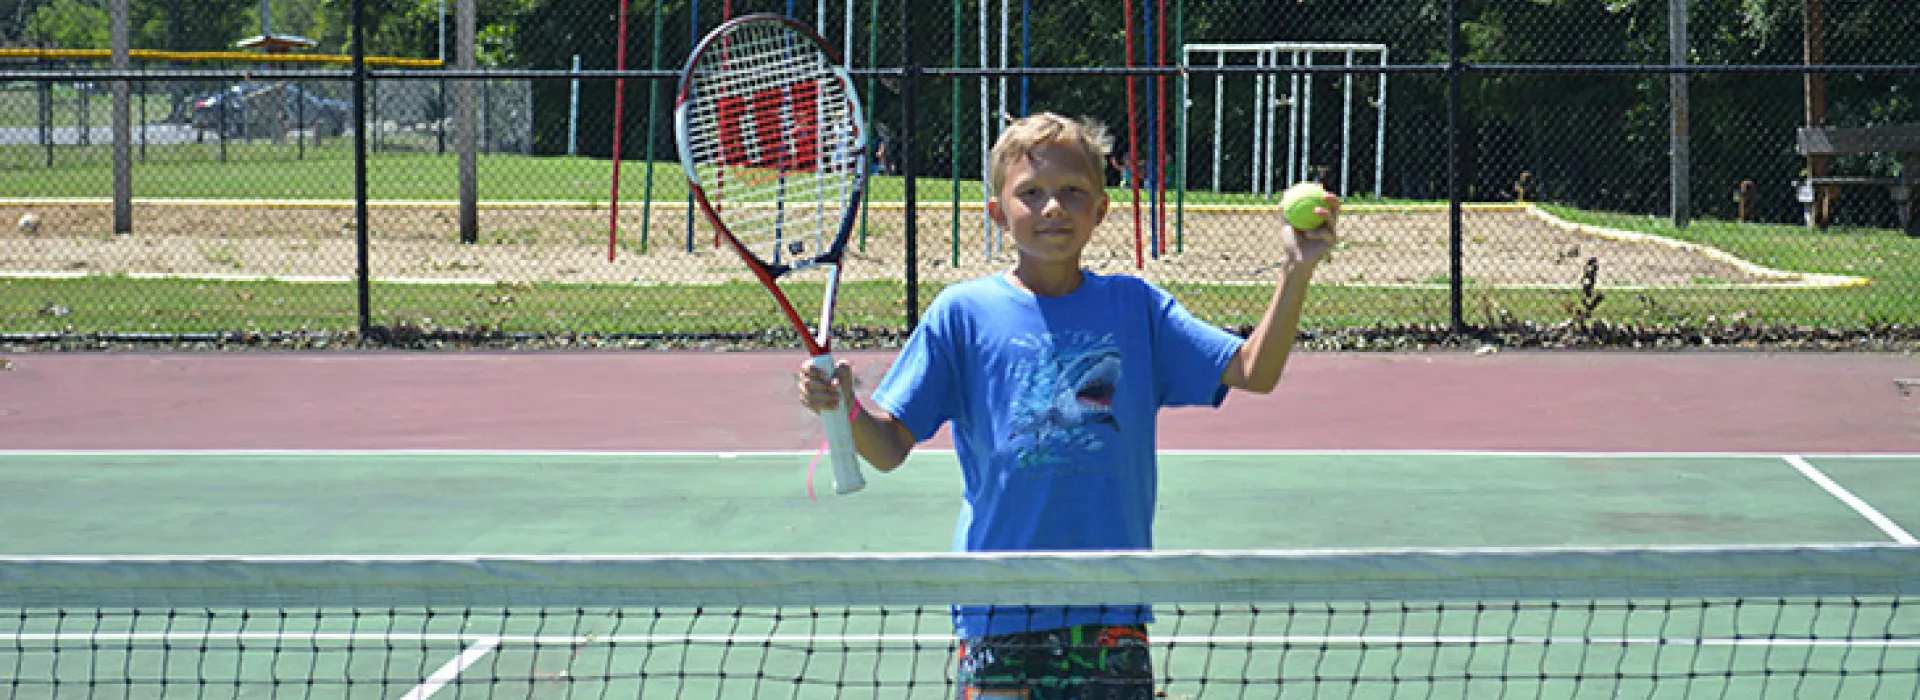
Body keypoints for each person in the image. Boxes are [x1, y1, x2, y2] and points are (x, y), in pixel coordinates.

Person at [795, 112, 1339, 699]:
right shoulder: (961, 314)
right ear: (998, 213)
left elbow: (1255, 371)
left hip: (1110, 605)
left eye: (1072, 192)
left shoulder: (1137, 308)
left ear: (1101, 210)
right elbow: (890, 448)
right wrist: (847, 409)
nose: (1052, 206)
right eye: (1030, 193)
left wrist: (1296, 269)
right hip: (997, 606)